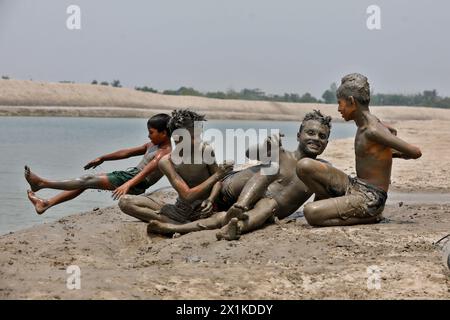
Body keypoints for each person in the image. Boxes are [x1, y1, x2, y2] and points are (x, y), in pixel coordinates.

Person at [146, 110, 332, 240]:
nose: (316, 138)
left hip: (262, 206)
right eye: (310, 132)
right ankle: (239, 206)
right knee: (271, 166)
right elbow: (250, 153)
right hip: (229, 191)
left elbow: (321, 197)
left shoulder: (322, 169)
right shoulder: (282, 153)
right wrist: (267, 145)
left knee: (254, 210)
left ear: (327, 142)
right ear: (298, 135)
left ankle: (179, 228)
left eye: (322, 136)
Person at [296, 73, 422, 227]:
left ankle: (371, 216)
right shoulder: (367, 124)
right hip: (355, 185)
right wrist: (379, 155)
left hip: (370, 197)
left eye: (340, 103)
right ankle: (335, 205)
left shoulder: (372, 130)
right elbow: (392, 131)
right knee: (304, 166)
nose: (339, 109)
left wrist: (392, 153)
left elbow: (415, 152)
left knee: (311, 212)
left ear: (351, 102)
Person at [24, 113, 172, 214]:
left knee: (87, 180)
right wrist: (103, 158)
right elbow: (126, 152)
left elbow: (147, 171)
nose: (148, 135)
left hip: (136, 182)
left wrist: (128, 184)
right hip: (130, 176)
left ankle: (43, 184)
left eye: (151, 132)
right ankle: (45, 204)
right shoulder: (152, 145)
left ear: (164, 133)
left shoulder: (165, 151)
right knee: (86, 183)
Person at [118, 109, 233, 224]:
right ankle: (177, 223)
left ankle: (175, 223)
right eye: (192, 136)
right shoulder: (166, 162)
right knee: (125, 202)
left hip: (204, 209)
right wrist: (218, 174)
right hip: (180, 209)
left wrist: (210, 199)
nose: (198, 139)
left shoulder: (204, 150)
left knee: (222, 216)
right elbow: (187, 195)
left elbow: (218, 182)